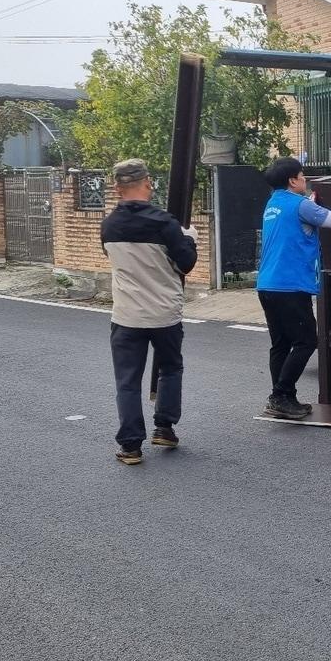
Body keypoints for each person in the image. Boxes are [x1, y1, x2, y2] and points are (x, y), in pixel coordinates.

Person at [256, 157, 331, 420]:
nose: (305, 179)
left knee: (281, 344)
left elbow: (297, 223)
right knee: (307, 341)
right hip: (290, 285)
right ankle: (280, 395)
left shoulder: (273, 203)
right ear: (292, 180)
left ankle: (285, 398)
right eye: (302, 175)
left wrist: (310, 202)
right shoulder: (299, 205)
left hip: (267, 284)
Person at [101, 159, 198, 465]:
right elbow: (186, 263)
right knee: (170, 368)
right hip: (164, 313)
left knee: (128, 380)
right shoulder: (164, 223)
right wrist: (190, 239)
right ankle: (165, 428)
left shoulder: (109, 225)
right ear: (147, 183)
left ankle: (130, 447)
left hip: (127, 314)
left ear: (117, 188)